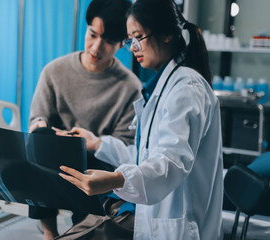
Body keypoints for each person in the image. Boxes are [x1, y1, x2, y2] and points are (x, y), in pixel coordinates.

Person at [58, 0, 224, 239]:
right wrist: (98, 143)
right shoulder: (164, 86)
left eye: (138, 37)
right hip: (155, 215)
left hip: (179, 226)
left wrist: (116, 179)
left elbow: (170, 163)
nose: (133, 47)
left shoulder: (186, 88)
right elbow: (144, 155)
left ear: (166, 34)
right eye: (129, 40)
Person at [28, 0, 141, 239]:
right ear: (87, 28)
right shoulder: (54, 71)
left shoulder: (129, 87)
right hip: (55, 159)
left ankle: (83, 232)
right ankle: (49, 233)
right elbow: (38, 118)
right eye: (92, 35)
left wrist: (95, 143)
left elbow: (126, 148)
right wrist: (42, 128)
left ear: (122, 44)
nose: (96, 48)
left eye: (109, 41)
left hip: (98, 165)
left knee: (91, 214)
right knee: (38, 140)